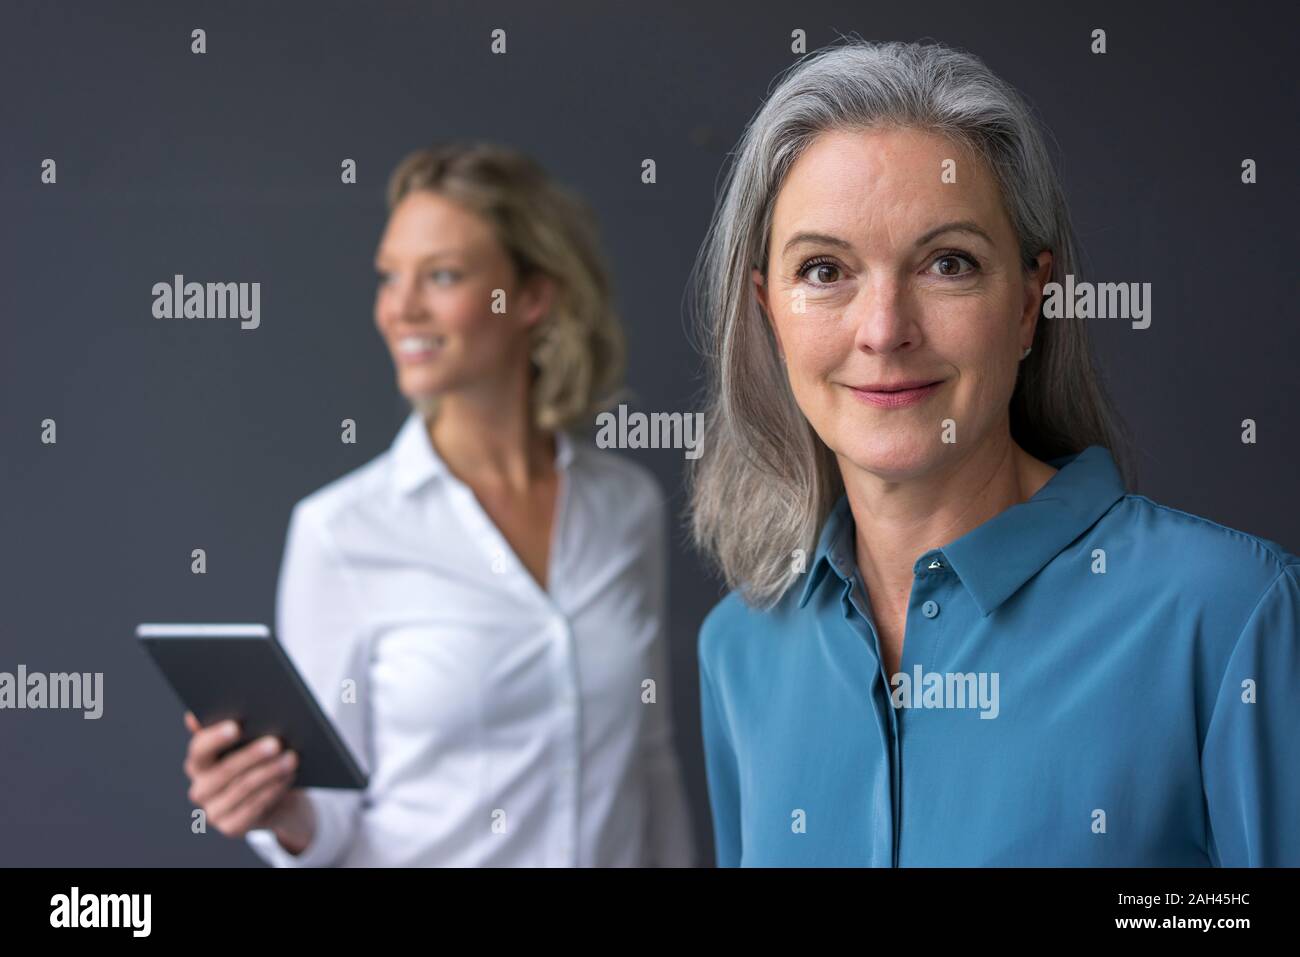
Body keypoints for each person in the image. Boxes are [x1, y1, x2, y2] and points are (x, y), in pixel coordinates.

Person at [689, 40, 1300, 866]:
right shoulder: (740, 648)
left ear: (1026, 303)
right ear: (768, 311)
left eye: (948, 263)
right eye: (825, 269)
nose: (883, 330)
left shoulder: (1231, 615)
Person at [182, 142, 696, 866]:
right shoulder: (340, 532)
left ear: (531, 296)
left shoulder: (627, 508)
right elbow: (326, 815)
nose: (402, 308)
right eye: (390, 277)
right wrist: (277, 808)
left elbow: (649, 758)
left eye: (443, 275)